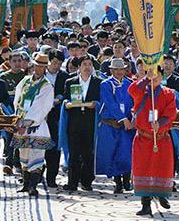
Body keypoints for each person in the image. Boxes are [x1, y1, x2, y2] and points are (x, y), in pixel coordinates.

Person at [129, 66, 177, 217]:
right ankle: (145, 204)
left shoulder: (168, 93)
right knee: (143, 170)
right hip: (143, 138)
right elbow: (132, 90)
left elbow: (171, 112)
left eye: (157, 75)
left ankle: (162, 195)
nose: (154, 78)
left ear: (162, 76)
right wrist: (145, 79)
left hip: (161, 139)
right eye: (151, 75)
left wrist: (161, 123)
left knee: (162, 168)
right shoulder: (141, 90)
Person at [12, 53, 55, 197]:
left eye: (42, 67)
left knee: (37, 155)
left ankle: (33, 185)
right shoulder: (24, 81)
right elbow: (17, 99)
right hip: (21, 121)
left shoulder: (47, 86)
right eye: (37, 66)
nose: (39, 69)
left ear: (45, 68)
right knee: (23, 153)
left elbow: (42, 106)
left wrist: (28, 121)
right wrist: (18, 117)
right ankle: (25, 183)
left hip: (37, 124)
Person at [61, 55, 101, 192]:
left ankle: (86, 181)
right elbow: (65, 99)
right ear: (79, 67)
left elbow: (101, 102)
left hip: (90, 121)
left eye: (90, 64)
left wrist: (95, 104)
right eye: (84, 64)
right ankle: (72, 182)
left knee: (88, 153)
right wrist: (67, 104)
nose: (87, 67)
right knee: (74, 153)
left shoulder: (98, 82)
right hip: (75, 121)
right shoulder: (70, 82)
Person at [96, 58, 134, 193]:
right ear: (111, 70)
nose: (119, 72)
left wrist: (132, 119)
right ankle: (118, 182)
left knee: (126, 152)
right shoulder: (106, 84)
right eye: (116, 69)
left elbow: (134, 103)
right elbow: (110, 103)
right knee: (113, 152)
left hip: (127, 125)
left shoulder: (130, 84)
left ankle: (127, 180)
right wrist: (122, 119)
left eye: (121, 69)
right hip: (112, 124)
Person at [44, 48, 70, 187]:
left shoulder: (65, 76)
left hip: (56, 116)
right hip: (41, 115)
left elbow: (67, 94)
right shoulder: (40, 73)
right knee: (38, 146)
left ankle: (51, 178)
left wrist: (60, 98)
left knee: (54, 147)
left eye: (59, 63)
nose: (57, 66)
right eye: (54, 62)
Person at [0, 51, 26, 174]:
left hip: (23, 110)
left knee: (21, 137)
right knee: (9, 137)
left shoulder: (27, 77)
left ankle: (19, 162)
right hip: (8, 109)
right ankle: (8, 163)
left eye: (19, 61)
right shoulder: (3, 77)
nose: (17, 63)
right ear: (9, 62)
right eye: (14, 61)